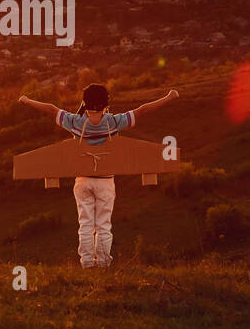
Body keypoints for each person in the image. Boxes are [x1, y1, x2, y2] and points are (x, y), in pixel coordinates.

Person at [18, 84, 180, 267]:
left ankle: (87, 263)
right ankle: (103, 263)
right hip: (105, 182)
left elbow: (51, 109)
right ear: (106, 104)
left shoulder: (75, 122)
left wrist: (27, 100)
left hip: (83, 181)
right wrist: (169, 97)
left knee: (85, 223)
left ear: (84, 103)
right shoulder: (113, 122)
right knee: (103, 224)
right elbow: (142, 110)